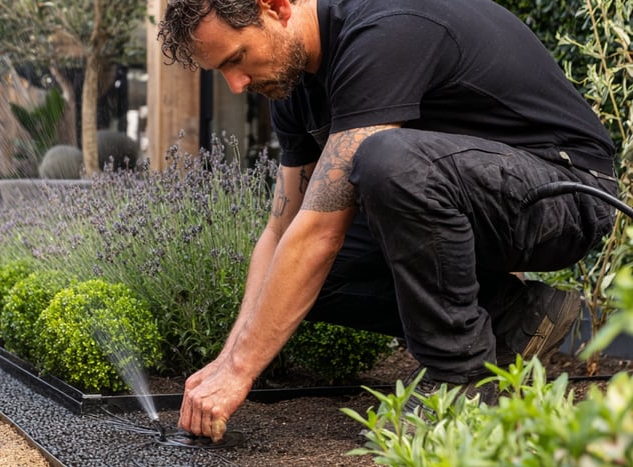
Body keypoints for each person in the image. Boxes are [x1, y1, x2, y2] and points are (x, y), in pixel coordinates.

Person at [158, 0, 617, 441]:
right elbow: (283, 229)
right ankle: (514, 318)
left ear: (275, 6)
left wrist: (240, 373)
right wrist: (225, 360)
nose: (236, 84)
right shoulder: (291, 85)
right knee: (300, 276)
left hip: (567, 193)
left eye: (237, 58)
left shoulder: (382, 27)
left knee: (386, 161)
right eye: (221, 71)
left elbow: (322, 230)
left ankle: (461, 380)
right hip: (475, 199)